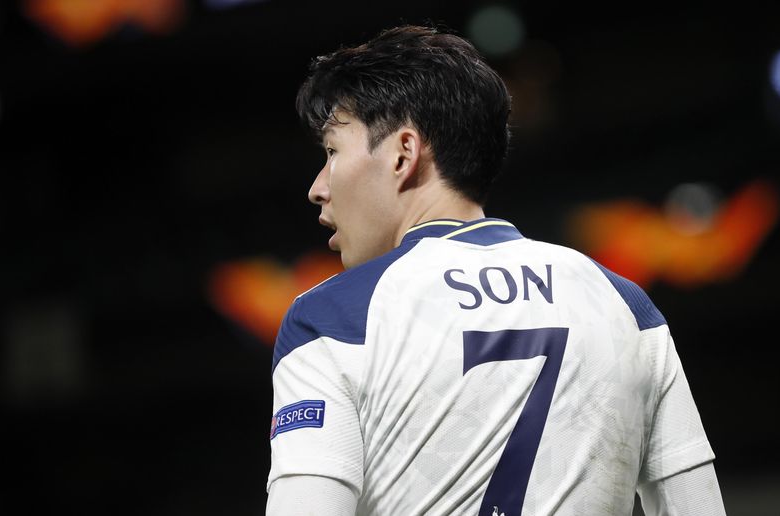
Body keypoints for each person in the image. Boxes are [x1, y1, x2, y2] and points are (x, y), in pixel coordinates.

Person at [266, 24, 726, 515]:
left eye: (333, 151)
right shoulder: (627, 305)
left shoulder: (333, 317)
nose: (318, 187)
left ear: (404, 152)